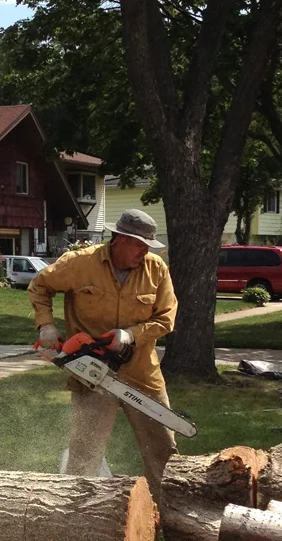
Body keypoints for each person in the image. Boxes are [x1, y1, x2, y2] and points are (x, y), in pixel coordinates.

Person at [27, 209, 177, 496]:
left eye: (148, 246)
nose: (144, 252)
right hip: (92, 373)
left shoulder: (156, 268)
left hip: (142, 372)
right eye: (140, 245)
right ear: (120, 239)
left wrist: (131, 334)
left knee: (163, 448)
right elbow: (40, 286)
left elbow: (166, 318)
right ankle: (77, 511)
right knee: (85, 452)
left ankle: (168, 508)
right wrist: (46, 325)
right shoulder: (80, 263)